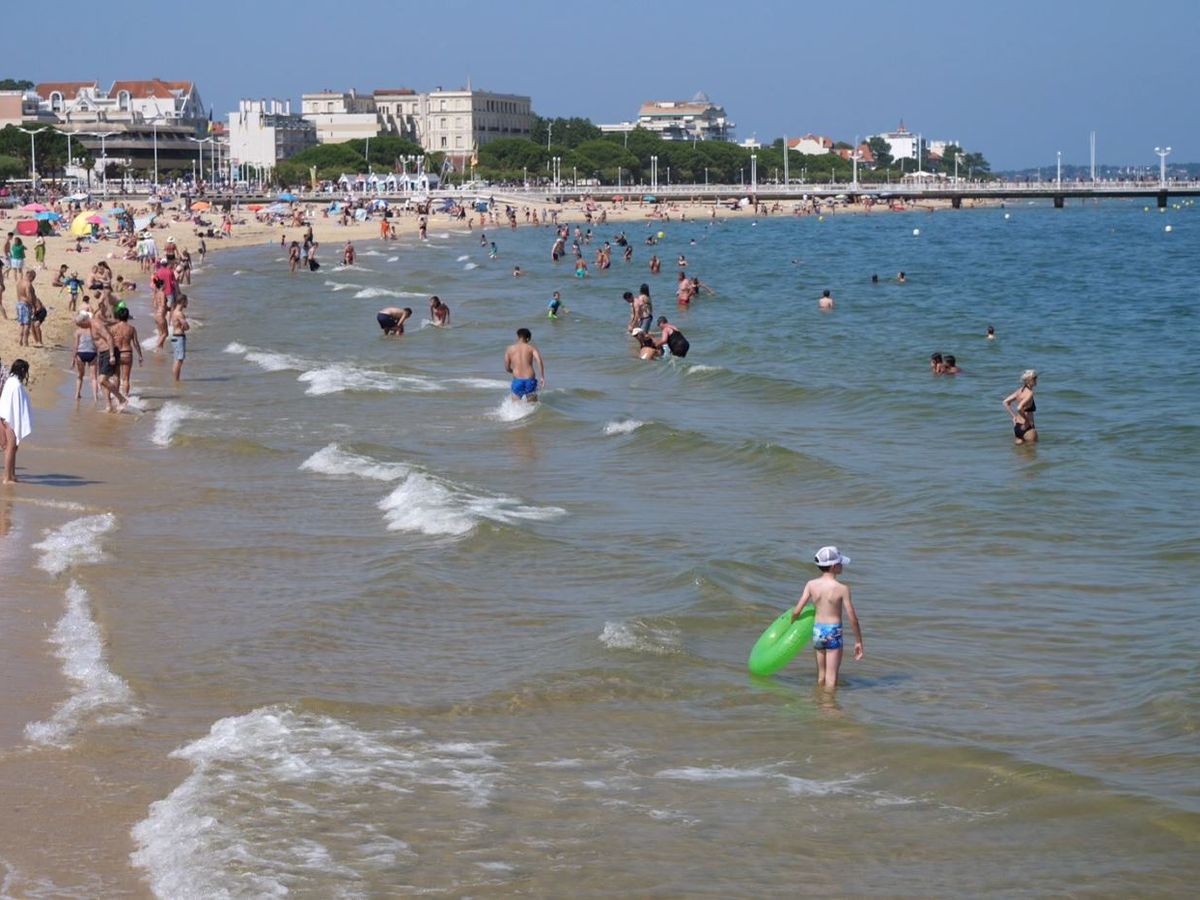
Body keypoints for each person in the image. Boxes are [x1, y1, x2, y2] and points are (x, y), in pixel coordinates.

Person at [790, 546, 864, 689]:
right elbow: (853, 618)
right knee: (832, 678)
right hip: (833, 632)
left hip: (818, 631)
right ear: (834, 566)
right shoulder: (842, 588)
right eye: (841, 563)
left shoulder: (811, 585)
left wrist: (791, 626)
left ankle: (819, 702)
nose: (842, 566)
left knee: (821, 675)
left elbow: (796, 611)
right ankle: (829, 709)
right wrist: (858, 641)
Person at [0, 359, 33, 484]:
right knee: (10, 447)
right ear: (23, 370)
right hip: (9, 421)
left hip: (4, 418)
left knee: (12, 448)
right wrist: (16, 423)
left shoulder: (10, 381)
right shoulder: (16, 384)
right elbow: (16, 406)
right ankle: (7, 478)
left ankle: (11, 475)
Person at [504, 327, 545, 402]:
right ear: (528, 339)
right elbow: (539, 360)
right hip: (530, 380)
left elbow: (507, 367)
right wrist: (542, 376)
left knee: (516, 406)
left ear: (518, 337)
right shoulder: (531, 348)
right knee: (532, 406)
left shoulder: (510, 349)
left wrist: (512, 371)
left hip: (517, 380)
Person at [111, 305, 143, 396]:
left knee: (116, 377)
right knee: (126, 379)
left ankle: (117, 397)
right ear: (127, 316)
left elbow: (110, 342)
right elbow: (136, 343)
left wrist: (109, 354)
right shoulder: (131, 328)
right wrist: (140, 356)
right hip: (127, 353)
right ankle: (125, 397)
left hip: (117, 353)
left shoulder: (113, 328)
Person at [1003, 369, 1038, 445]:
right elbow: (1019, 408)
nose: (1036, 379)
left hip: (1017, 427)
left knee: (1019, 455)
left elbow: (1005, 402)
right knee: (1032, 454)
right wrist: (1027, 421)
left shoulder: (1019, 391)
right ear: (1029, 380)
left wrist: (1013, 417)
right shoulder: (1030, 393)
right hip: (1027, 428)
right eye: (1034, 378)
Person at [72, 313, 99, 401]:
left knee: (80, 375)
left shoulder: (78, 331)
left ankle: (77, 394)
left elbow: (75, 346)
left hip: (81, 354)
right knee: (94, 377)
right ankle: (95, 397)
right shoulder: (93, 330)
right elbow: (97, 343)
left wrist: (73, 359)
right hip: (92, 353)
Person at [168, 294, 190, 382]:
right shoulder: (179, 313)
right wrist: (185, 326)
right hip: (179, 337)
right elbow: (187, 326)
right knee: (179, 360)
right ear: (182, 301)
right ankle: (176, 380)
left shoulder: (174, 312)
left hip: (175, 337)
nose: (187, 303)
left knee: (176, 360)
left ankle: (176, 379)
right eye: (186, 301)